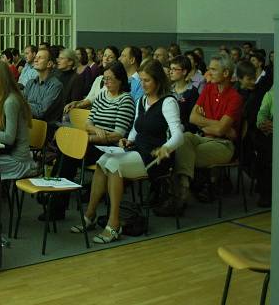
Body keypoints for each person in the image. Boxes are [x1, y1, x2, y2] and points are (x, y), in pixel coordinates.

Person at [73, 60, 183, 243]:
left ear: (157, 81)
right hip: (139, 151)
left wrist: (166, 147)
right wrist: (128, 140)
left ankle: (113, 224)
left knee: (114, 164)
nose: (142, 84)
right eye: (141, 80)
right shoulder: (142, 100)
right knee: (103, 161)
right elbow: (135, 129)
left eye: (147, 80)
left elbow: (179, 135)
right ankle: (90, 214)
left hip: (157, 157)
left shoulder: (168, 102)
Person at [47, 62, 136, 220]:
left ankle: (55, 201)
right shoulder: (103, 95)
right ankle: (55, 199)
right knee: (67, 151)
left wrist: (87, 138)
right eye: (105, 79)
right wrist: (96, 131)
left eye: (110, 79)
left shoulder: (126, 100)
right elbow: (88, 124)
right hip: (94, 142)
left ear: (121, 80)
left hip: (109, 150)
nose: (106, 82)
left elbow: (118, 134)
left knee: (69, 153)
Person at [170, 54, 242, 208]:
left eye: (213, 69)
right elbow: (192, 118)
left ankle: (180, 194)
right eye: (209, 68)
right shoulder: (208, 89)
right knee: (185, 137)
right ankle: (186, 187)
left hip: (223, 145)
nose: (208, 72)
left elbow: (221, 131)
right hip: (204, 138)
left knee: (180, 153)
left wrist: (208, 124)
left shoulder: (235, 97)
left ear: (226, 73)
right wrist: (214, 125)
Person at [64, 45, 120, 113]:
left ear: (116, 60)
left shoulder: (117, 80)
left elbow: (97, 98)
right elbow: (89, 98)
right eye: (105, 55)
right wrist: (76, 103)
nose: (106, 59)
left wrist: (79, 104)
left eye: (110, 57)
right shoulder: (98, 79)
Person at [23, 48, 63, 121]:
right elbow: (22, 102)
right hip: (28, 122)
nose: (35, 60)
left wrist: (23, 105)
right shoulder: (30, 82)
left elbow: (41, 112)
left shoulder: (56, 85)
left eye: (40, 58)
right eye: (35, 57)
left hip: (47, 127)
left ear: (49, 64)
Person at [169, 55, 199, 132]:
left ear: (184, 72)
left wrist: (180, 128)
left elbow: (192, 119)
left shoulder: (192, 92)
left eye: (174, 69)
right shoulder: (168, 90)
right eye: (170, 69)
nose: (171, 72)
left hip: (184, 132)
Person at [254, 87, 274, 207]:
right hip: (272, 132)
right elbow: (261, 116)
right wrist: (263, 123)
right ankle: (265, 193)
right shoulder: (270, 95)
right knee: (263, 147)